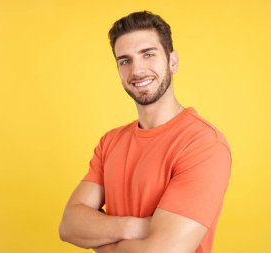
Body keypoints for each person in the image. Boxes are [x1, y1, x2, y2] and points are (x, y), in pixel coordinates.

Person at [59, 10, 231, 253]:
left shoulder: (203, 144)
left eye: (148, 55)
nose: (137, 70)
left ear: (173, 61)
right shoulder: (111, 142)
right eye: (125, 61)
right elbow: (69, 225)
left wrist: (102, 243)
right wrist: (138, 227)